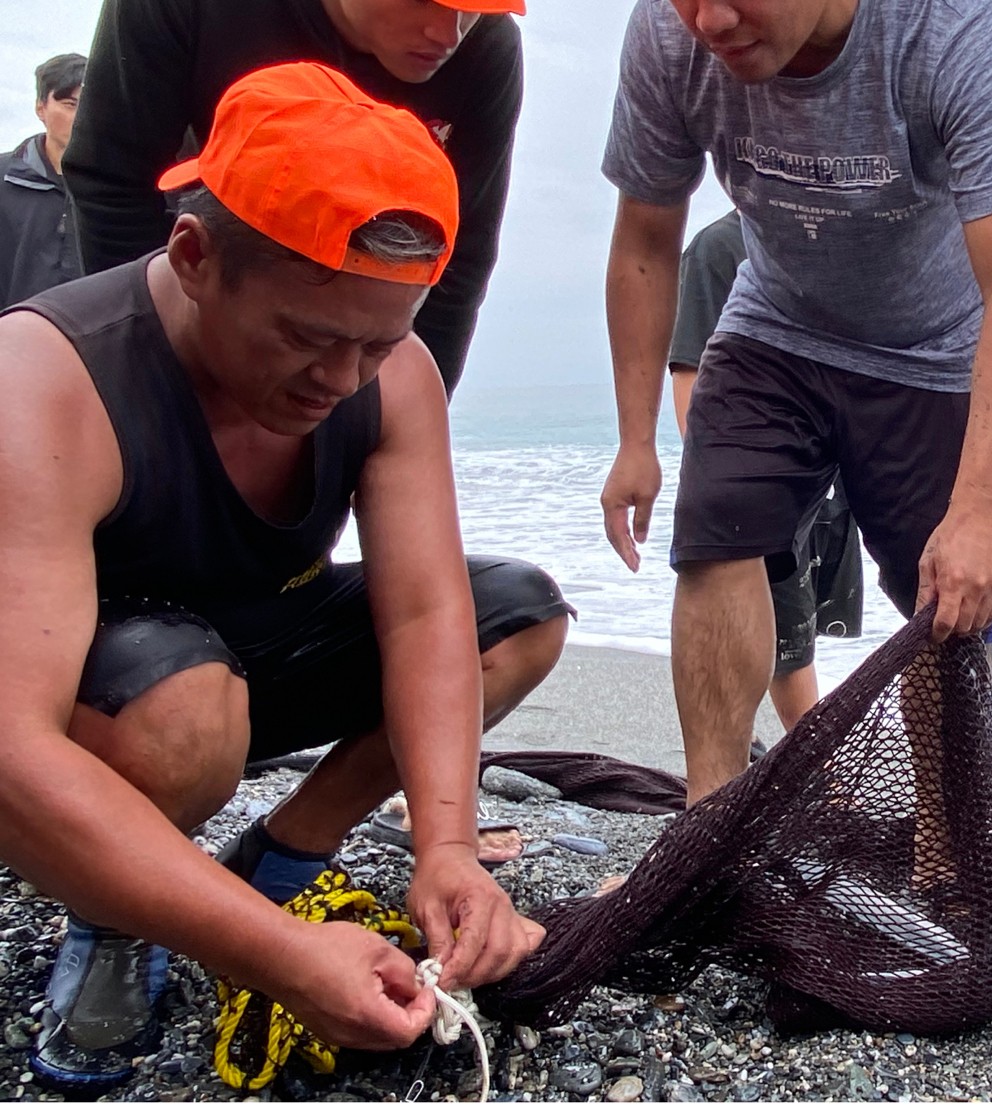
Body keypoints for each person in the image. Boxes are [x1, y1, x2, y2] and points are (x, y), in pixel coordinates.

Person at [0, 62, 571, 1093]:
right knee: (182, 708)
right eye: (309, 338)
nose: (342, 380)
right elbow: (10, 746)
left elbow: (427, 611)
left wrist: (443, 844)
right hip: (118, 690)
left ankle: (280, 850)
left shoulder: (390, 375)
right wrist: (273, 952)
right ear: (195, 253)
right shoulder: (47, 379)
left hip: (262, 638)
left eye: (377, 342)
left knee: (516, 615)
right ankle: (118, 911)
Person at [599, 0, 992, 804]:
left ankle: (945, 851)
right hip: (774, 321)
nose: (710, 20)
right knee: (717, 531)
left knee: (943, 605)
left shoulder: (953, 25)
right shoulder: (669, 35)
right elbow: (643, 239)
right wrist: (635, 438)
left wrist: (980, 508)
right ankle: (710, 830)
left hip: (933, 348)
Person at [62, 0, 526, 395]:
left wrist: (396, 415)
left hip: (359, 336)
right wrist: (146, 381)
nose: (448, 34)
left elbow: (459, 254)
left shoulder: (486, 48)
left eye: (474, 9)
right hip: (202, 279)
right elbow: (111, 178)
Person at [669, 208, 864, 732]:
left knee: (800, 628)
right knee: (786, 643)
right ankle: (815, 770)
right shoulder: (718, 248)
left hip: (830, 476)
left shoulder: (844, 242)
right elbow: (690, 373)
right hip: (755, 480)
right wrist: (720, 479)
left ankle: (783, 758)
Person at [0, 53, 86, 308]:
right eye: (70, 105)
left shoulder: (113, 184)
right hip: (15, 334)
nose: (81, 116)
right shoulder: (5, 176)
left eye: (89, 105)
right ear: (41, 108)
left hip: (93, 338)